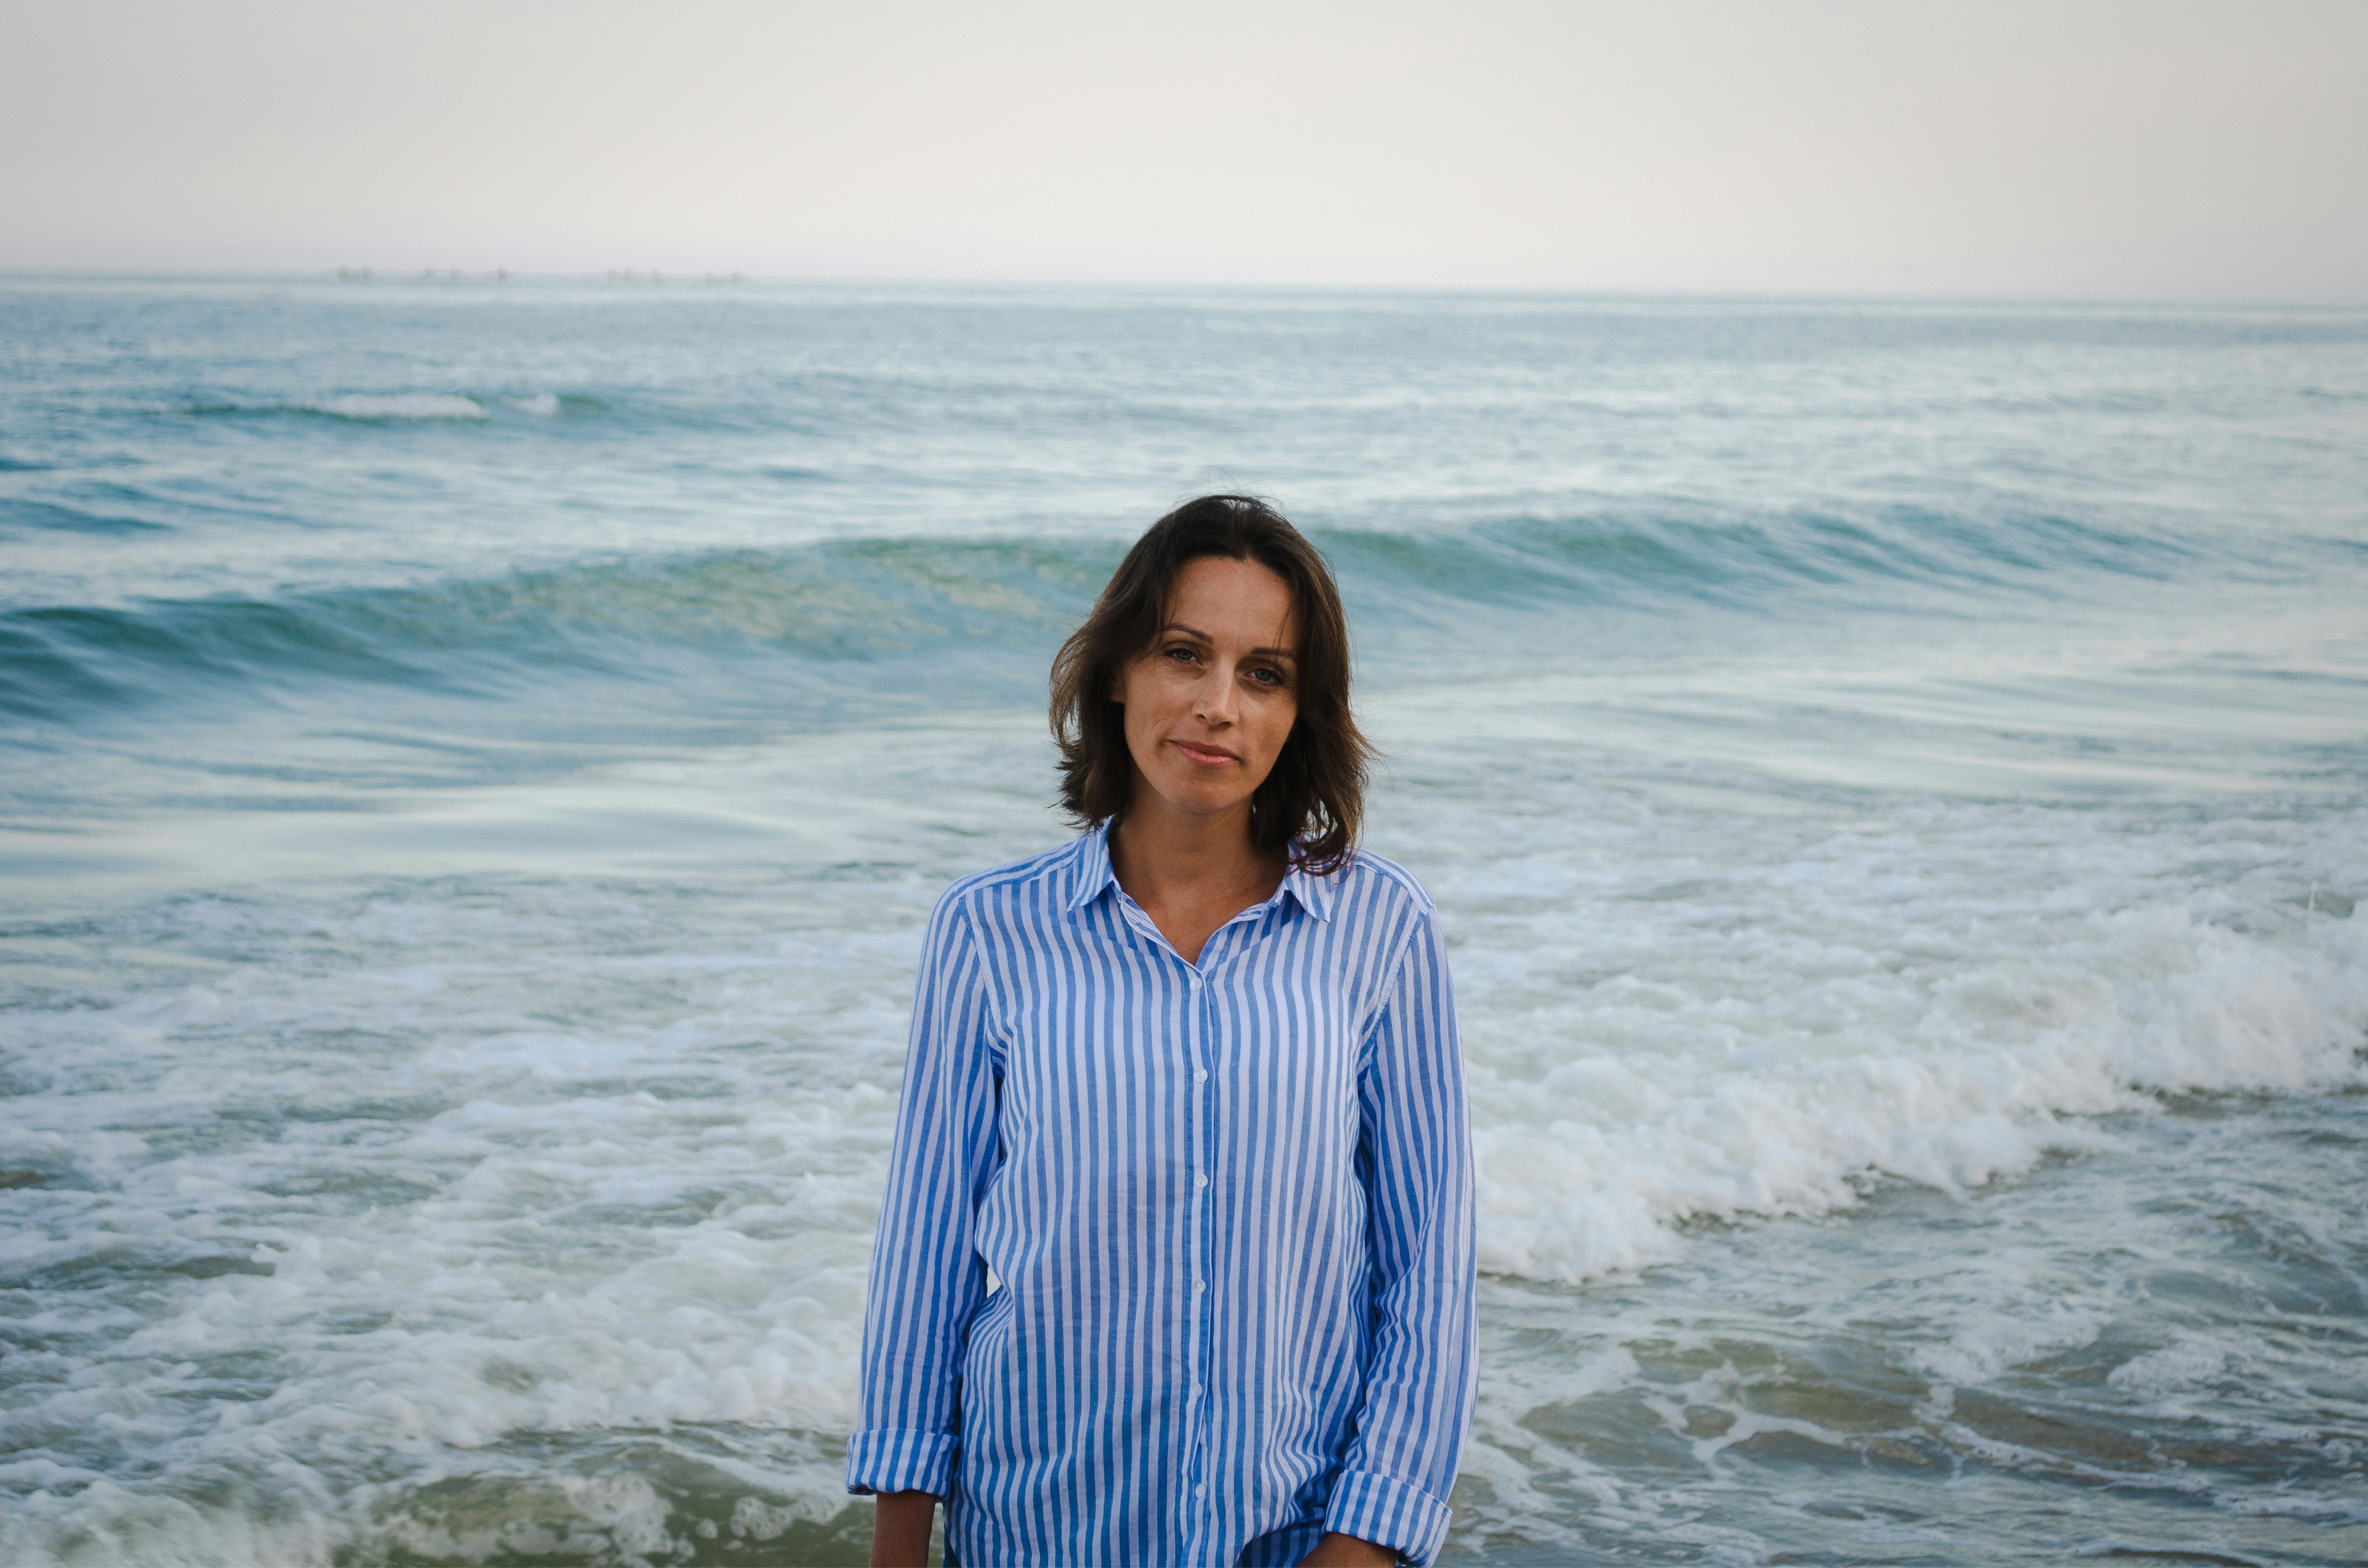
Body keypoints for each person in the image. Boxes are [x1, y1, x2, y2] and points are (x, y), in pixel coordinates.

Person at [846, 495, 1475, 1567]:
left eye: (1264, 672)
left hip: (1289, 1538)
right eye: (1185, 653)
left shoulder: (1382, 930)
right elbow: (927, 1253)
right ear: (1119, 673)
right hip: (1033, 1533)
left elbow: (1428, 1265)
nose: (1218, 704)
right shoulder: (988, 931)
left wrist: (1368, 1541)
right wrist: (902, 1544)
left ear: (1300, 711)